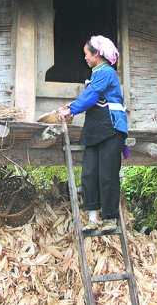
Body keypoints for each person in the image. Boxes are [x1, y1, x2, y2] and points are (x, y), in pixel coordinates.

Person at [58, 35, 128, 233]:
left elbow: (91, 96)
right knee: (89, 174)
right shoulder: (97, 74)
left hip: (111, 128)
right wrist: (71, 107)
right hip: (95, 128)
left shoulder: (106, 72)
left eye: (87, 54)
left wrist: (71, 110)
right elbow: (89, 98)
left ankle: (110, 219)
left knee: (108, 174)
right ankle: (92, 218)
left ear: (97, 54)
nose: (85, 58)